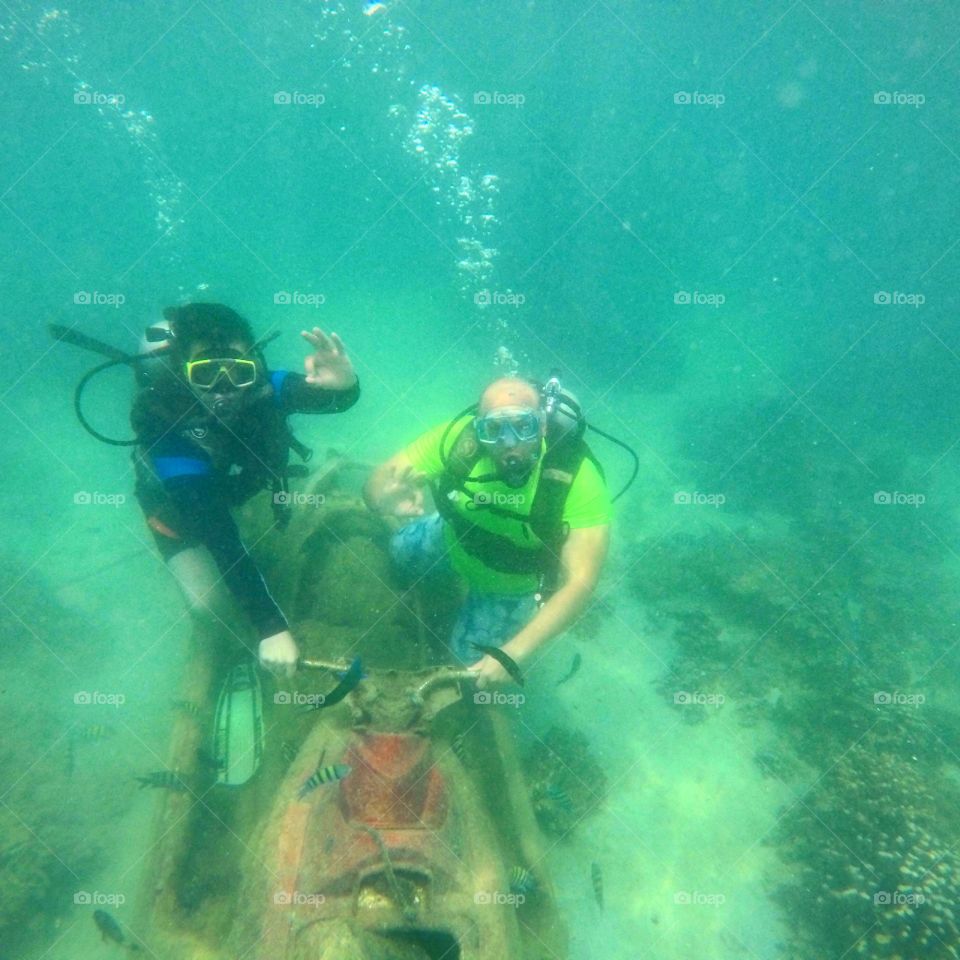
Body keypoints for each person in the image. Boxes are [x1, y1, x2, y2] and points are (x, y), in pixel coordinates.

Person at [131, 302, 359, 677]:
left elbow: (333, 398)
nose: (224, 388)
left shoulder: (267, 385)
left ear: (253, 363)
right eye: (205, 373)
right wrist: (271, 628)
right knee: (208, 605)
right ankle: (233, 650)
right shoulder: (162, 417)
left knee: (228, 537)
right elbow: (216, 530)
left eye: (238, 371)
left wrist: (345, 386)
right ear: (181, 370)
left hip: (230, 485)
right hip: (178, 508)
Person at [364, 376, 610, 687]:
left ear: (543, 427)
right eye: (494, 429)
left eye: (524, 426)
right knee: (398, 551)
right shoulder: (456, 441)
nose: (509, 443)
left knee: (470, 671)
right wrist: (382, 499)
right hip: (450, 539)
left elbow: (580, 583)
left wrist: (512, 654)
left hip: (508, 588)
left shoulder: (577, 478)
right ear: (477, 428)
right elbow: (375, 486)